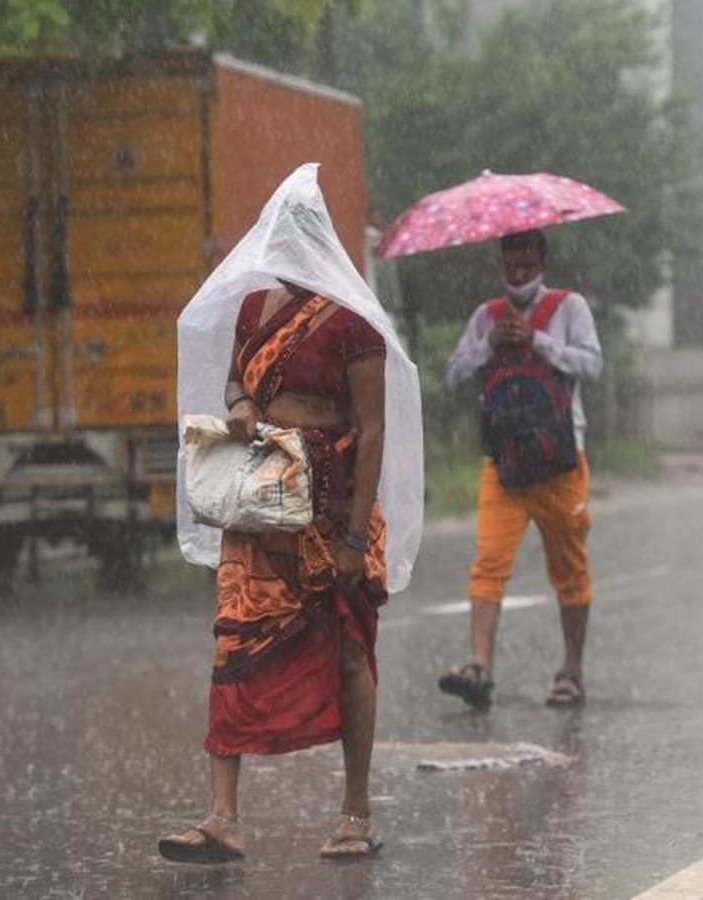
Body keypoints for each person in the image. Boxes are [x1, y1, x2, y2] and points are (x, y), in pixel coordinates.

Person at [162, 165, 422, 863]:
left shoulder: (352, 323)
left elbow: (370, 430)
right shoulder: (254, 311)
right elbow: (235, 382)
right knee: (234, 646)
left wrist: (349, 534)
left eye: (296, 235)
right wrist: (242, 406)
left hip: (333, 507)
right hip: (260, 506)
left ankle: (356, 812)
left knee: (346, 652)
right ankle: (222, 817)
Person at [437, 229, 603, 710]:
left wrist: (539, 341)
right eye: (511, 265)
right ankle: (480, 668)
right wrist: (489, 345)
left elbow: (592, 365)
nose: (519, 275)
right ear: (501, 262)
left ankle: (571, 671)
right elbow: (453, 375)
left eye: (528, 265)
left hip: (560, 462)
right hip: (504, 462)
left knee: (570, 570)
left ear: (543, 262)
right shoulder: (486, 317)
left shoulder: (570, 309)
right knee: (488, 564)